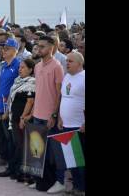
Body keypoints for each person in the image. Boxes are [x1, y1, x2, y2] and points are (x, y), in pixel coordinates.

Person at [29, 36, 64, 193]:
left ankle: (57, 181)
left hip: (49, 116)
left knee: (52, 153)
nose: (39, 49)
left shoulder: (57, 66)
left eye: (42, 46)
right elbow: (38, 92)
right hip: (37, 114)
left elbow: (59, 94)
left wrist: (54, 115)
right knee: (38, 151)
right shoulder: (37, 67)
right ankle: (39, 180)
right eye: (38, 46)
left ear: (51, 48)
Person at [57, 51, 85, 196]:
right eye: (66, 60)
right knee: (72, 159)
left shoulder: (84, 77)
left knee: (80, 160)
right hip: (66, 124)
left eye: (70, 61)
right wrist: (60, 118)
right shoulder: (67, 76)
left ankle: (82, 188)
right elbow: (64, 97)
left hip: (79, 126)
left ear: (79, 63)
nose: (67, 63)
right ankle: (76, 186)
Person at [6, 59, 36, 182]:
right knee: (15, 144)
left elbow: (30, 102)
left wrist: (23, 117)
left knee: (21, 145)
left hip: (22, 119)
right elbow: (12, 100)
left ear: (30, 69)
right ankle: (13, 169)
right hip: (13, 117)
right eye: (19, 67)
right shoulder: (17, 81)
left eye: (23, 67)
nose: (20, 69)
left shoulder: (32, 82)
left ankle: (21, 172)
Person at [0, 38, 21, 178]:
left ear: (14, 50)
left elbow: (16, 89)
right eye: (3, 48)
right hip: (1, 107)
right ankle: (11, 167)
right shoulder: (3, 65)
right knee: (8, 140)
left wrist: (7, 110)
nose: (3, 51)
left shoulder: (18, 65)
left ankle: (15, 168)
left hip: (11, 110)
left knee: (14, 141)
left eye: (6, 48)